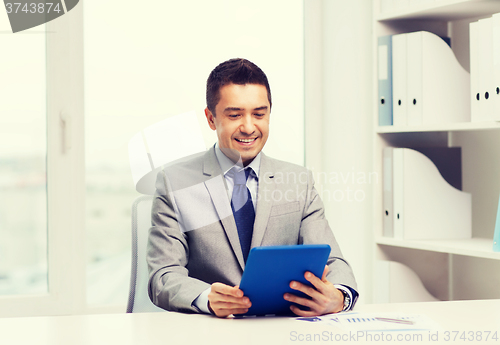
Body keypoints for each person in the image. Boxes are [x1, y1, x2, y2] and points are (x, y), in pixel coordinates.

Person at [147, 58, 358, 318]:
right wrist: (207, 298)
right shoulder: (175, 182)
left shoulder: (298, 181)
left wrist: (339, 297)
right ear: (211, 118)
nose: (249, 127)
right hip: (212, 331)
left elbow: (334, 262)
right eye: (235, 115)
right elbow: (162, 276)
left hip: (282, 329)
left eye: (259, 114)